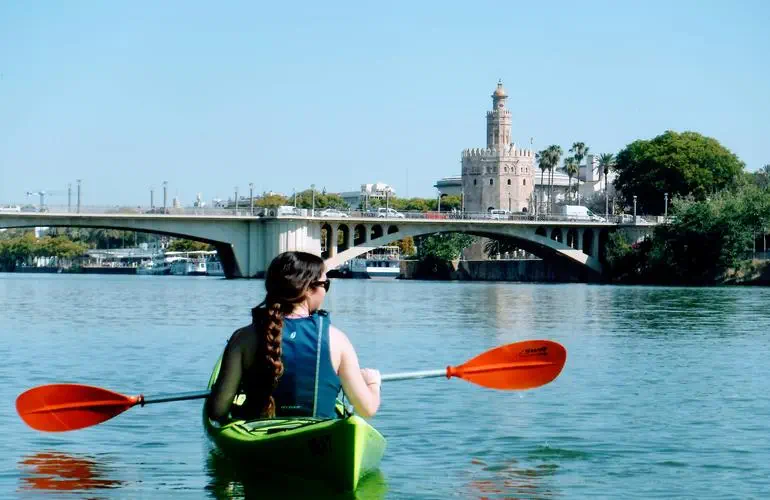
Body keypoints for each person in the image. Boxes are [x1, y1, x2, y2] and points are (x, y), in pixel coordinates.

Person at [206, 251, 381, 423]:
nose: (325, 291)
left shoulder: (243, 338)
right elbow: (367, 409)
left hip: (258, 436)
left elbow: (218, 410)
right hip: (320, 438)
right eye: (325, 284)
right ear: (307, 289)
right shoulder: (337, 339)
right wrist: (373, 382)